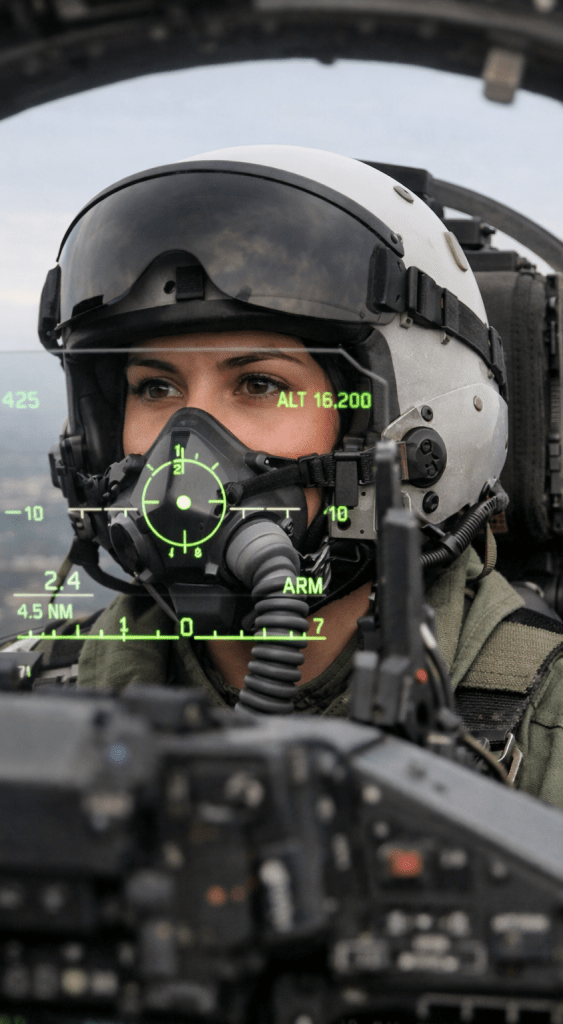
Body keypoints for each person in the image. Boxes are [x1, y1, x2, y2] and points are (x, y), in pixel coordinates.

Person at [28, 145, 563, 807]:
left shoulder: (544, 733)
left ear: (412, 433)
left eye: (258, 383)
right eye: (155, 387)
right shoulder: (40, 706)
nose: (183, 450)